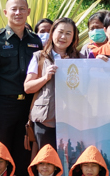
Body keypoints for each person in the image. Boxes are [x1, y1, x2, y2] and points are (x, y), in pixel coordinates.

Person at [0, 0, 43, 176]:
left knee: (24, 154)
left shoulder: (36, 41)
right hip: (2, 107)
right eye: (13, 9)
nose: (18, 13)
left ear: (28, 12)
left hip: (27, 106)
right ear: (6, 12)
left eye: (22, 9)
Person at [28, 18, 82, 157]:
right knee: (46, 159)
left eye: (68, 33)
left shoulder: (81, 59)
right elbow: (28, 87)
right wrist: (45, 78)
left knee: (71, 159)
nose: (63, 37)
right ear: (52, 33)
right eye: (60, 32)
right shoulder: (39, 57)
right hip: (45, 119)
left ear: (73, 38)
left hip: (72, 120)